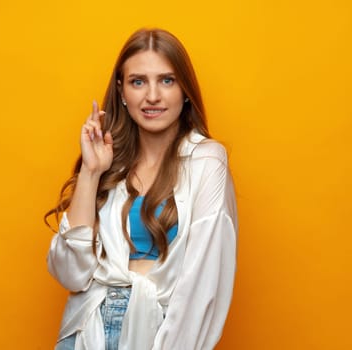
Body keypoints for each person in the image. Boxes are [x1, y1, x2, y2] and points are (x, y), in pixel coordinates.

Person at [45, 28, 238, 350]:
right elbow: (70, 274)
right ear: (121, 90)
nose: (152, 96)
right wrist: (92, 173)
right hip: (86, 330)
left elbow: (203, 286)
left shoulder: (206, 161)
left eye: (167, 80)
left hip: (160, 331)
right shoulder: (109, 162)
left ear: (185, 90)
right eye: (138, 81)